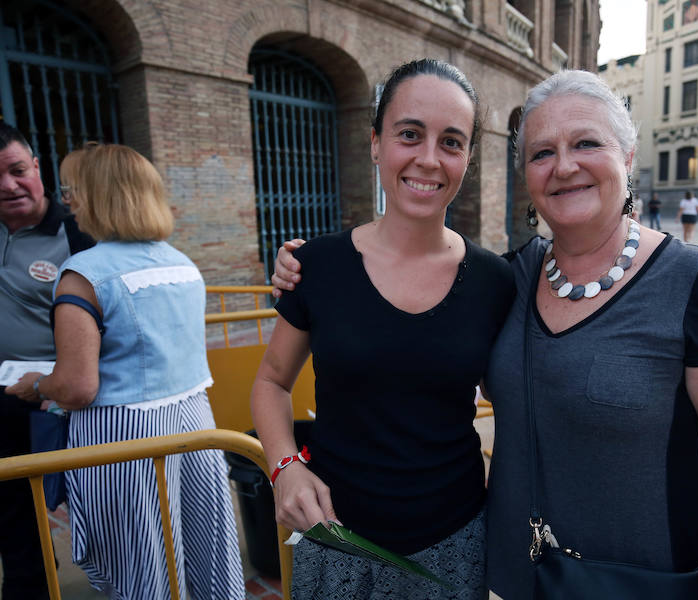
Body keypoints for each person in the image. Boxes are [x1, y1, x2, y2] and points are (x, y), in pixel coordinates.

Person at [273, 69, 698, 600]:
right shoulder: (512, 276)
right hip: (520, 577)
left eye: (586, 143)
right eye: (541, 153)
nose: (564, 166)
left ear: (627, 157)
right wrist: (307, 268)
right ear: (527, 177)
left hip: (645, 580)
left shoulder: (692, 280)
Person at [252, 59, 515, 599]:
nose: (428, 158)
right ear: (375, 143)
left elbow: (511, 395)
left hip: (454, 541)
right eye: (409, 134)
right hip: (337, 538)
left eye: (451, 142)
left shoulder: (494, 279)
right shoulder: (316, 266)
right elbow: (271, 382)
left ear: (468, 157)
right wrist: (284, 467)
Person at [8, 144, 245, 599]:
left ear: (96, 197)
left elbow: (77, 386)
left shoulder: (83, 274)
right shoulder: (183, 264)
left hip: (124, 439)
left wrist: (35, 384)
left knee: (139, 559)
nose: (69, 200)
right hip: (195, 426)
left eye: (73, 189)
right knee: (203, 548)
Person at [0, 122, 93, 599]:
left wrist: (54, 387)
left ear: (36, 167)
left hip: (49, 399)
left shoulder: (77, 232)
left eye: (17, 170)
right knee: (14, 516)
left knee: (78, 507)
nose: (7, 185)